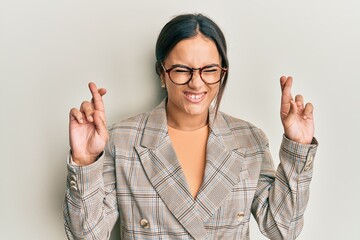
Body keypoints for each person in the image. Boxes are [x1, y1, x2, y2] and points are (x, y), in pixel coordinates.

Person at [64, 13, 318, 240]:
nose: (196, 83)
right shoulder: (122, 140)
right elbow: (87, 235)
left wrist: (298, 147)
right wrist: (85, 160)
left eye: (209, 69)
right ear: (162, 73)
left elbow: (283, 229)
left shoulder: (249, 140)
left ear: (222, 73)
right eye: (182, 70)